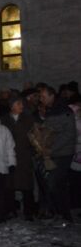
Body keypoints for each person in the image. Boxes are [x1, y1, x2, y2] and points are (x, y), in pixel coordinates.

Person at [39, 86, 76, 222]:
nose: (41, 100)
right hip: (53, 153)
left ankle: (62, 212)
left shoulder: (65, 111)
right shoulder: (50, 111)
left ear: (52, 95)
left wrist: (51, 148)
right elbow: (49, 131)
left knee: (53, 182)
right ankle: (63, 214)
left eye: (43, 97)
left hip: (63, 153)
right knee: (57, 184)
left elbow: (68, 134)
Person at [1, 97, 37, 220]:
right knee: (8, 185)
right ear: (12, 106)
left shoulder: (28, 119)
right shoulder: (4, 120)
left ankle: (29, 212)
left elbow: (35, 136)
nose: (22, 105)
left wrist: (33, 150)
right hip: (9, 157)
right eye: (18, 103)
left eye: (21, 103)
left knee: (27, 185)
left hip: (24, 156)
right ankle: (10, 210)